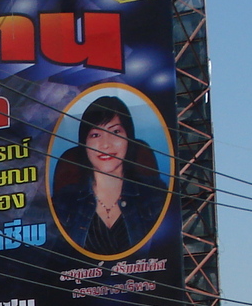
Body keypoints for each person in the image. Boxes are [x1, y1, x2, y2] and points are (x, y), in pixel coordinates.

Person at [49, 94, 165, 257]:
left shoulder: (155, 194)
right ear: (84, 144)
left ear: (128, 138)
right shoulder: (64, 202)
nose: (105, 144)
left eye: (115, 132)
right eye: (95, 135)